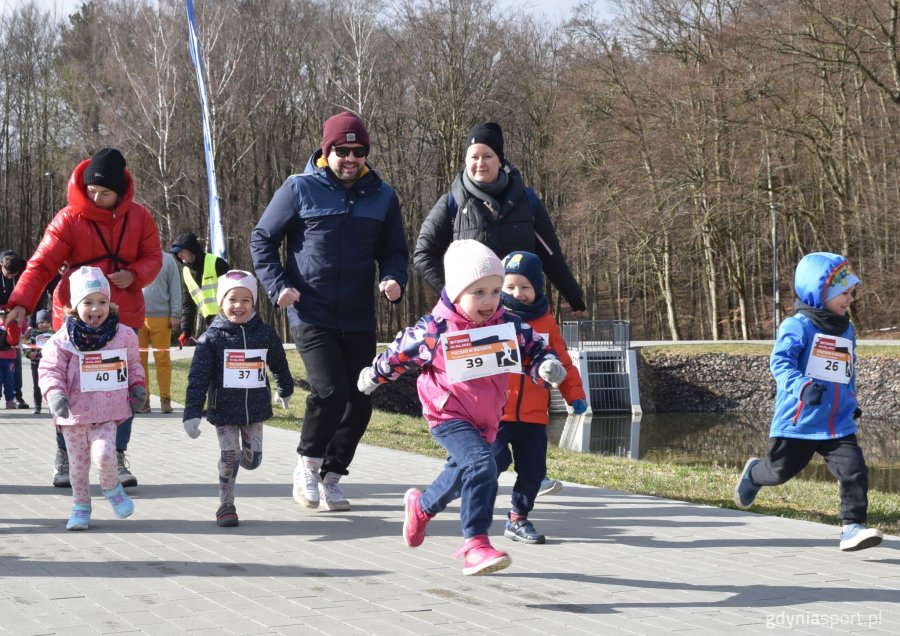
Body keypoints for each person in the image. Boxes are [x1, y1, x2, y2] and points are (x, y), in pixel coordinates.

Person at [357, 240, 567, 575]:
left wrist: (546, 366)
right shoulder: (435, 330)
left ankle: (421, 507)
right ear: (456, 292)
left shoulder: (506, 325)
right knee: (484, 466)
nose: (490, 301)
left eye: (496, 291)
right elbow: (400, 353)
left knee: (459, 476)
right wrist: (374, 375)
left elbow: (534, 349)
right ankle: (476, 544)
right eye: (479, 292)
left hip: (488, 417)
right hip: (448, 414)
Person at [250, 110, 408, 512]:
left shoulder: (383, 195)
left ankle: (332, 476)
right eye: (342, 150)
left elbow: (394, 250)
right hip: (310, 310)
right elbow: (263, 240)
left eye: (358, 151)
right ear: (327, 151)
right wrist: (277, 285)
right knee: (330, 391)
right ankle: (306, 464)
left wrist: (393, 278)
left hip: (357, 314)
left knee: (362, 396)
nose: (350, 158)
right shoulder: (299, 188)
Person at [6, 147, 162, 489]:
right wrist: (21, 301)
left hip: (123, 315)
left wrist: (135, 274)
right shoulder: (68, 218)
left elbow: (153, 257)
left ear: (120, 192)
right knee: (70, 390)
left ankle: (116, 455)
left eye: (104, 193)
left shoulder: (140, 218)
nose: (95, 197)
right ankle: (65, 453)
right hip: (73, 316)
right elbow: (42, 262)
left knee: (117, 389)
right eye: (91, 191)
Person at [734, 252, 884, 552]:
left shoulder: (846, 328)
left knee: (854, 471)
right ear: (819, 294)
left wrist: (851, 400)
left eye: (851, 292)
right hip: (798, 422)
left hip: (838, 423)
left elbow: (846, 370)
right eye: (843, 293)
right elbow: (780, 364)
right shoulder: (797, 326)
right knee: (779, 473)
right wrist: (802, 387)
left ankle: (852, 527)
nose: (850, 299)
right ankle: (754, 473)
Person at [413, 121, 586, 313]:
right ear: (465, 161)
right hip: (476, 317)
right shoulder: (451, 203)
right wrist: (454, 294)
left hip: (521, 311)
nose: (480, 163)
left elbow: (551, 255)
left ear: (500, 160)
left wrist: (573, 295)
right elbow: (423, 255)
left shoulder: (527, 201)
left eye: (487, 156)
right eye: (474, 157)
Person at [37, 267, 146, 530]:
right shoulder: (63, 339)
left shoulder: (123, 335)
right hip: (73, 415)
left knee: (105, 454)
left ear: (110, 303)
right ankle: (81, 506)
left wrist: (137, 387)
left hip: (108, 412)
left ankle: (111, 487)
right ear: (75, 306)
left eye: (102, 301)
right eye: (88, 302)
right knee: (77, 468)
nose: (95, 309)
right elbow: (50, 369)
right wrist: (55, 394)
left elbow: (133, 364)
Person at [182, 270, 294, 526]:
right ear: (221, 303)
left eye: (245, 300)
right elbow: (197, 378)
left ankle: (232, 463)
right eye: (232, 299)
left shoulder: (264, 333)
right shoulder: (211, 338)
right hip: (224, 411)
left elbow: (279, 363)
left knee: (253, 460)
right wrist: (191, 414)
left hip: (254, 410)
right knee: (230, 455)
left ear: (253, 303)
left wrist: (284, 388)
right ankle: (226, 505)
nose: (238, 306)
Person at [493, 251, 588, 545]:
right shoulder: (492, 318)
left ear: (537, 289)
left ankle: (518, 519)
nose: (517, 293)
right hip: (497, 412)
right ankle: (473, 508)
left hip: (535, 414)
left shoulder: (547, 322)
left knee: (533, 471)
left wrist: (575, 395)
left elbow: (563, 364)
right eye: (509, 287)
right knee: (492, 462)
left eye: (525, 287)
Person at [138, 252, 182, 413]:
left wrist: (175, 313)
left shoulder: (168, 260)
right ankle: (143, 400)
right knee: (138, 361)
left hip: (162, 317)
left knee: (163, 359)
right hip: (137, 317)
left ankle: (165, 399)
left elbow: (175, 288)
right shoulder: (133, 256)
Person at [170, 231, 230, 346]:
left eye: (182, 251)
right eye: (177, 253)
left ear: (192, 249)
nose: (179, 255)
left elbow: (235, 290)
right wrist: (186, 330)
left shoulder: (216, 263)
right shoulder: (185, 271)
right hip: (211, 322)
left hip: (228, 319)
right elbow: (188, 303)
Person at [1, 250, 30, 409]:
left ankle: (17, 396)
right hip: (1, 318)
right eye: (7, 273)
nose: (10, 276)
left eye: (14, 274)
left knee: (15, 360)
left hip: (16, 317)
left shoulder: (24, 271)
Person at [23, 309, 54, 414]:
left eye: (47, 322)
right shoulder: (33, 334)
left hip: (51, 365)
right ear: (37, 323)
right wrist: (28, 354)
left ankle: (51, 406)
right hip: (36, 364)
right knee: (37, 385)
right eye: (42, 322)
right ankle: (37, 407)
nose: (45, 324)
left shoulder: (54, 334)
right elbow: (26, 345)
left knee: (51, 385)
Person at [0, 309, 21, 408]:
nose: (4, 318)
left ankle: (10, 400)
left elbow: (18, 340)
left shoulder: (14, 326)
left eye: (7, 316)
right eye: (2, 316)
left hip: (10, 359)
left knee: (9, 380)